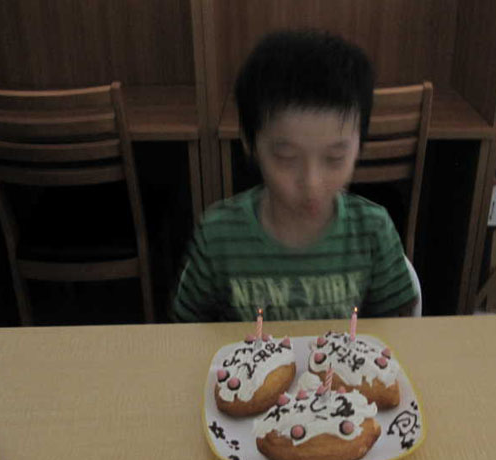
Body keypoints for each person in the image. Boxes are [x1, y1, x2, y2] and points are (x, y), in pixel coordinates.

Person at [173, 30, 417, 322]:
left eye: (334, 158)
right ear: (250, 145)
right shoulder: (218, 237)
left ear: (358, 147)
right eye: (287, 158)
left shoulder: (372, 232)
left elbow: (397, 331)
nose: (311, 183)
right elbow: (185, 332)